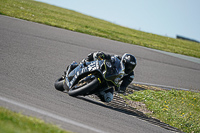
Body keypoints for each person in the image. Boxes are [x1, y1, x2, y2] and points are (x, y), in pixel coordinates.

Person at [67, 51, 137, 102]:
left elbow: (123, 86)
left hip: (109, 83)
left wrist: (120, 89)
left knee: (108, 98)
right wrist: (103, 55)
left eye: (131, 67)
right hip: (104, 72)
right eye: (127, 65)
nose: (128, 68)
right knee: (95, 55)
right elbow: (109, 57)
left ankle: (93, 90)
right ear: (123, 61)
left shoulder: (130, 76)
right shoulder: (117, 59)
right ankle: (80, 65)